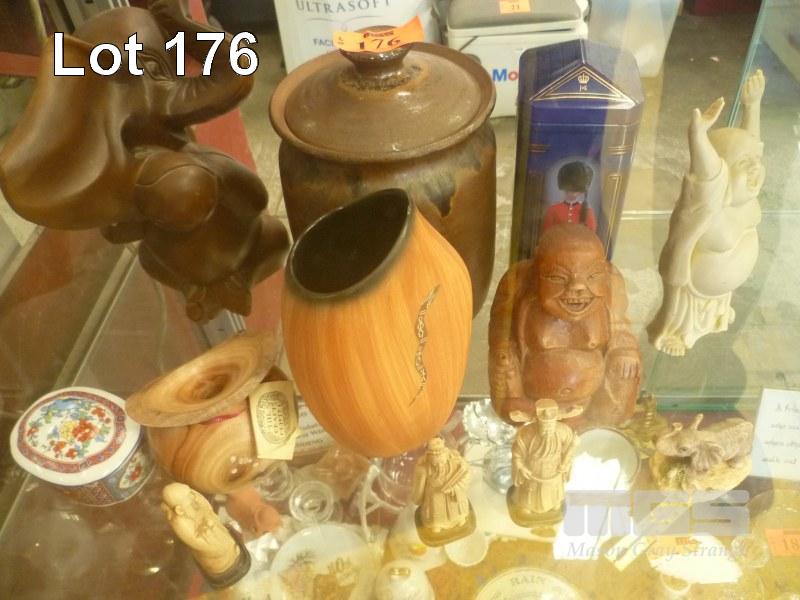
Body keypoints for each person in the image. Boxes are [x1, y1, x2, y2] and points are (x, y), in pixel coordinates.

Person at [648, 69, 765, 356]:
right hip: (690, 298)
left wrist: (753, 107)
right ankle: (678, 332)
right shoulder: (710, 203)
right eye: (743, 164)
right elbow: (707, 171)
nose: (754, 169)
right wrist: (697, 135)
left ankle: (718, 314)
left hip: (721, 293)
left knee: (718, 308)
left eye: (756, 162)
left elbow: (750, 144)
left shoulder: (745, 201)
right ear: (723, 172)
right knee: (684, 315)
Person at [509, 399, 578, 524]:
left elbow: (569, 449)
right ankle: (527, 506)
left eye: (550, 426)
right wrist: (521, 467)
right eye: (544, 427)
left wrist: (566, 464)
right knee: (528, 498)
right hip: (533, 470)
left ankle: (553, 504)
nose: (547, 430)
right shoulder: (527, 433)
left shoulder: (563, 431)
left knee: (555, 503)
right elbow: (517, 452)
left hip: (554, 469)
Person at [412, 438, 471, 536]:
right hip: (434, 498)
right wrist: (418, 498)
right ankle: (436, 524)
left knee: (459, 514)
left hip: (453, 496)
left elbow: (467, 473)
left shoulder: (456, 462)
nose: (439, 466)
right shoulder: (424, 468)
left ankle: (459, 518)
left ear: (446, 456)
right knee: (436, 520)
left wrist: (455, 488)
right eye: (435, 464)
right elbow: (419, 488)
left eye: (442, 462)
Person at [542, 161, 597, 232]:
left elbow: (591, 234)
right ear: (564, 188)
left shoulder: (587, 211)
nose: (574, 194)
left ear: (581, 191)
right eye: (570, 190)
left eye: (577, 191)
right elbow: (547, 233)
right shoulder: (553, 210)